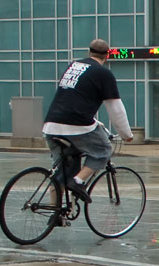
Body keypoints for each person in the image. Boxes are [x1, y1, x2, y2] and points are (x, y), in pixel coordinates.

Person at [42, 39, 133, 204]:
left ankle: (56, 214)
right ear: (107, 56)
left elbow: (74, 100)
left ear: (89, 52)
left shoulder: (73, 67)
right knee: (103, 150)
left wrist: (95, 122)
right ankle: (78, 182)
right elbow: (115, 109)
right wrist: (126, 134)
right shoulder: (103, 73)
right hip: (76, 126)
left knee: (64, 169)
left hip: (51, 124)